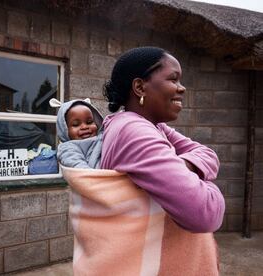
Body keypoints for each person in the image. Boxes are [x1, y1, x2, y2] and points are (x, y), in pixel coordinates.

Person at [61, 47, 225, 275]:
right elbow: (206, 213)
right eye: (173, 79)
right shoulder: (134, 131)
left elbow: (208, 154)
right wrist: (201, 179)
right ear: (139, 87)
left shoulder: (154, 127)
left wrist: (182, 166)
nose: (182, 88)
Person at [50, 98, 103, 169]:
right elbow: (77, 165)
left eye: (89, 122)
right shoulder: (68, 148)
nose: (84, 127)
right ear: (65, 130)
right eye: (75, 124)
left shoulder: (103, 137)